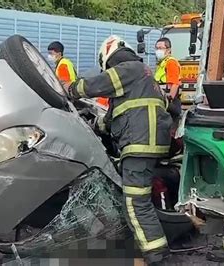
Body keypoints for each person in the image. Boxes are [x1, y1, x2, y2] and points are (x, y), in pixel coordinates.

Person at [65, 35, 173, 265]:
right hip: (148, 140)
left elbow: (96, 85)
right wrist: (96, 125)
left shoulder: (130, 69)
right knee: (138, 199)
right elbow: (113, 116)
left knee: (135, 202)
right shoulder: (141, 76)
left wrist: (71, 88)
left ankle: (157, 257)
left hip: (140, 142)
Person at [154, 37, 182, 123]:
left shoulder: (171, 62)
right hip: (163, 100)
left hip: (169, 102)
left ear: (168, 50)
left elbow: (175, 84)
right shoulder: (162, 63)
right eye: (157, 48)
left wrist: (169, 101)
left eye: (161, 48)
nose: (158, 50)